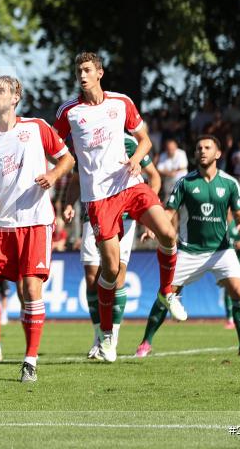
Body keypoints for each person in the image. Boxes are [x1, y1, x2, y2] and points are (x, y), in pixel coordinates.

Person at [54, 52, 180, 363]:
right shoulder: (69, 112)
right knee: (109, 271)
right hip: (98, 199)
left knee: (167, 232)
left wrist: (136, 160)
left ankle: (167, 292)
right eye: (78, 71)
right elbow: (57, 152)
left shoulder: (121, 102)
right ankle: (107, 335)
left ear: (99, 73)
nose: (81, 76)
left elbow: (146, 141)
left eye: (86, 70)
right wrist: (63, 192)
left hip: (129, 185)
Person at [0, 75, 74, 384]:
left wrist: (53, 174)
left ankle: (30, 360)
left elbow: (67, 160)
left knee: (30, 290)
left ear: (15, 97)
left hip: (35, 222)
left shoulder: (36, 128)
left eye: (1, 90)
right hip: (1, 226)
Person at [135, 136, 240, 358]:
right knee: (166, 294)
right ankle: (145, 343)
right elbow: (168, 212)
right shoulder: (184, 183)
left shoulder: (230, 183)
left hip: (221, 250)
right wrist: (154, 227)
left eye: (207, 148)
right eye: (198, 148)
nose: (202, 151)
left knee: (238, 290)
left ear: (218, 154)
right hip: (189, 251)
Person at [63, 134, 161, 358]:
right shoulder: (85, 141)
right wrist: (69, 203)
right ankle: (99, 335)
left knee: (117, 275)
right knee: (91, 277)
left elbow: (154, 178)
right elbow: (77, 180)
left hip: (125, 216)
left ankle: (111, 338)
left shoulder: (128, 142)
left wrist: (149, 214)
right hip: (94, 214)